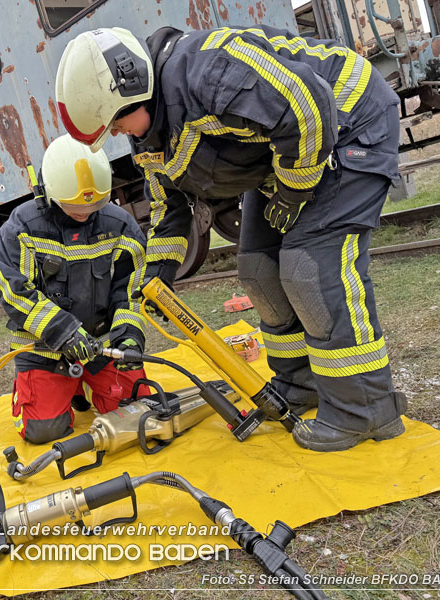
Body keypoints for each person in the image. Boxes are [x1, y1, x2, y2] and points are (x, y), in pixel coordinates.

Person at [55, 26, 407, 452]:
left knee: (310, 269)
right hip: (285, 151)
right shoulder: (149, 135)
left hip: (347, 119)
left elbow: (306, 105)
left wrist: (295, 190)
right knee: (258, 269)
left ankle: (366, 410)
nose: (118, 133)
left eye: (115, 122)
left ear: (137, 94)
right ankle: (302, 382)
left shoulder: (209, 70)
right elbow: (169, 207)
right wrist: (158, 277)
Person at [0, 134, 150, 444]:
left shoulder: (121, 227)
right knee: (43, 432)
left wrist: (129, 336)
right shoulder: (21, 230)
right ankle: (68, 385)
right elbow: (16, 294)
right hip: (44, 350)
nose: (84, 211)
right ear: (49, 193)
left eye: (94, 204)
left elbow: (131, 290)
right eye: (74, 204)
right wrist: (63, 334)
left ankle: (83, 381)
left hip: (100, 345)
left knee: (137, 412)